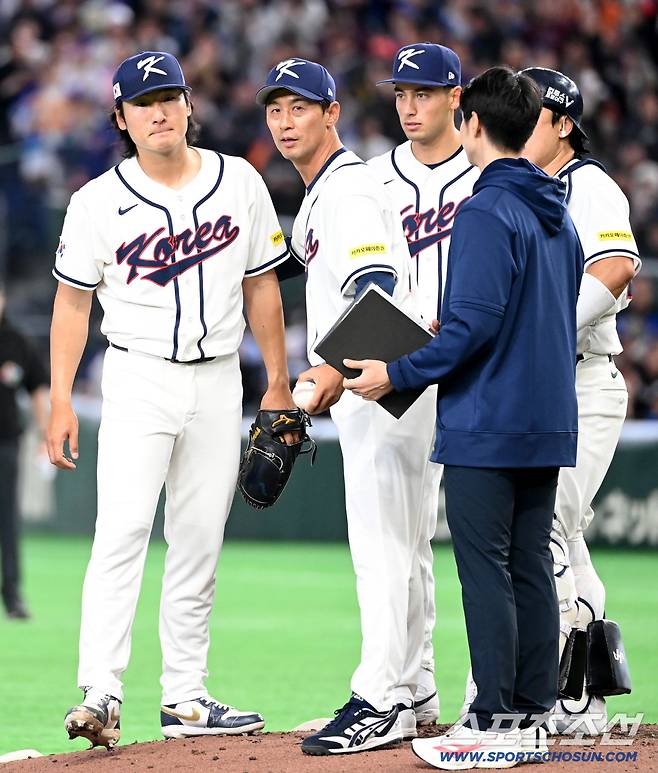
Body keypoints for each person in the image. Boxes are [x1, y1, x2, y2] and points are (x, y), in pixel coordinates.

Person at [48, 51, 294, 749]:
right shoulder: (96, 201)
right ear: (121, 119)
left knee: (198, 538)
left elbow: (261, 286)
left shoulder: (238, 180)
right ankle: (100, 689)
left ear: (188, 104)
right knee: (122, 531)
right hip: (137, 375)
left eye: (168, 97)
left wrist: (278, 382)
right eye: (142, 102)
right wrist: (61, 398)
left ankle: (185, 696)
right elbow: (71, 305)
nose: (158, 112)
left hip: (219, 378)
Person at [344, 66, 583, 769]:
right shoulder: (558, 211)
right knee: (531, 565)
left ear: (472, 123)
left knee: (486, 569)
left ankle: (492, 720)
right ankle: (531, 715)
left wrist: (395, 372)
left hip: (488, 418)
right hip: (547, 415)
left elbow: (472, 328)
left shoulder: (484, 209)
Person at [258, 58, 434, 754]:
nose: (285, 121)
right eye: (275, 109)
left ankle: (381, 698)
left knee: (384, 547)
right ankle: (412, 691)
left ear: (332, 112)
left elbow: (375, 286)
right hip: (385, 379)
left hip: (379, 381)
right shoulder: (328, 190)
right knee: (403, 547)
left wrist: (330, 370)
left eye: (300, 107)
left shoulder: (349, 189)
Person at [522, 67, 641, 734]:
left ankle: (556, 692)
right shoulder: (515, 187)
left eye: (533, 115)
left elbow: (615, 266)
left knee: (544, 529)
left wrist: (543, 330)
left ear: (564, 124)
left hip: (581, 380)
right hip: (536, 383)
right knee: (562, 534)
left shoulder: (586, 184)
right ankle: (586, 695)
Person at [368, 41, 480, 725]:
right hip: (402, 369)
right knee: (402, 541)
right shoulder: (374, 179)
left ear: (455, 97)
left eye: (425, 93)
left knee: (482, 539)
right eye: (402, 94)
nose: (410, 106)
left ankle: (493, 694)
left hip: (475, 369)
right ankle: (414, 686)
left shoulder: (486, 171)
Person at [0, 281, 49, 620]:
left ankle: (12, 594)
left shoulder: (17, 342)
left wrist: (46, 433)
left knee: (7, 520)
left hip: (5, 443)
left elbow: (38, 388)